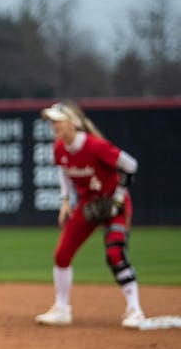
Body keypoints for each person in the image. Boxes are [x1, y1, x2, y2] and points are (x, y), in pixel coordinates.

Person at [34, 100, 145, 329]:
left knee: (115, 254)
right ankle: (62, 309)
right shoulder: (59, 148)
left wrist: (119, 196)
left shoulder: (95, 146)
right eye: (51, 121)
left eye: (58, 120)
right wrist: (65, 200)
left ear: (72, 123)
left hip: (115, 204)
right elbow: (63, 170)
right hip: (88, 205)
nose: (53, 125)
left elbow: (130, 165)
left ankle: (135, 310)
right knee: (62, 255)